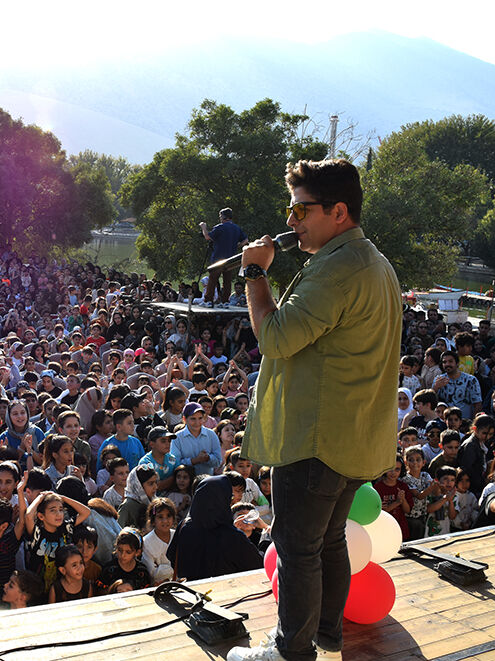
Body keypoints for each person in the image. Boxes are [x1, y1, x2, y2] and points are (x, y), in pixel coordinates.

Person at [234, 159, 400, 661]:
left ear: (339, 211)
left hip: (316, 438)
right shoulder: (370, 260)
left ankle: (291, 652)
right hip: (351, 435)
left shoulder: (339, 269)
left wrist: (254, 272)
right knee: (328, 540)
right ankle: (326, 632)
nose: (290, 221)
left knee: (298, 548)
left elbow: (276, 338)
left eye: (301, 209)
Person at [200, 207, 248, 306]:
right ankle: (225, 301)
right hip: (230, 259)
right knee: (227, 281)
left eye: (220, 216)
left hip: (218, 258)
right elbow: (245, 240)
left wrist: (203, 227)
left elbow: (208, 237)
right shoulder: (236, 228)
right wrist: (237, 246)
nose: (220, 218)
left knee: (212, 279)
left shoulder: (219, 227)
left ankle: (208, 300)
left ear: (224, 217)